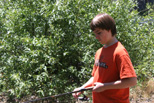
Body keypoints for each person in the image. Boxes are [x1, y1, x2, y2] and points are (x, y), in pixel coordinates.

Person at [72, 13, 137, 103]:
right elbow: (95, 77)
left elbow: (132, 81)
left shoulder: (119, 52)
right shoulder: (99, 52)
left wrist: (104, 86)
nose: (96, 37)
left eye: (99, 33)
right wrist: (83, 87)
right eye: (95, 34)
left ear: (109, 29)